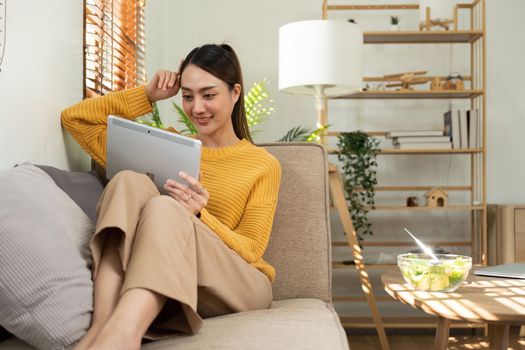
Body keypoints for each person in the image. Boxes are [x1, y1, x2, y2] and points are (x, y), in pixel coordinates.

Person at [61, 43, 281, 350]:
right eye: (188, 96)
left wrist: (201, 215)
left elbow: (252, 250)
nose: (197, 108)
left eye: (208, 94)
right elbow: (76, 119)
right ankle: (102, 326)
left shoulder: (262, 164)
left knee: (166, 206)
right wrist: (147, 95)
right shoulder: (170, 145)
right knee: (127, 180)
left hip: (240, 284)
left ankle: (124, 335)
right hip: (176, 276)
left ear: (234, 93)